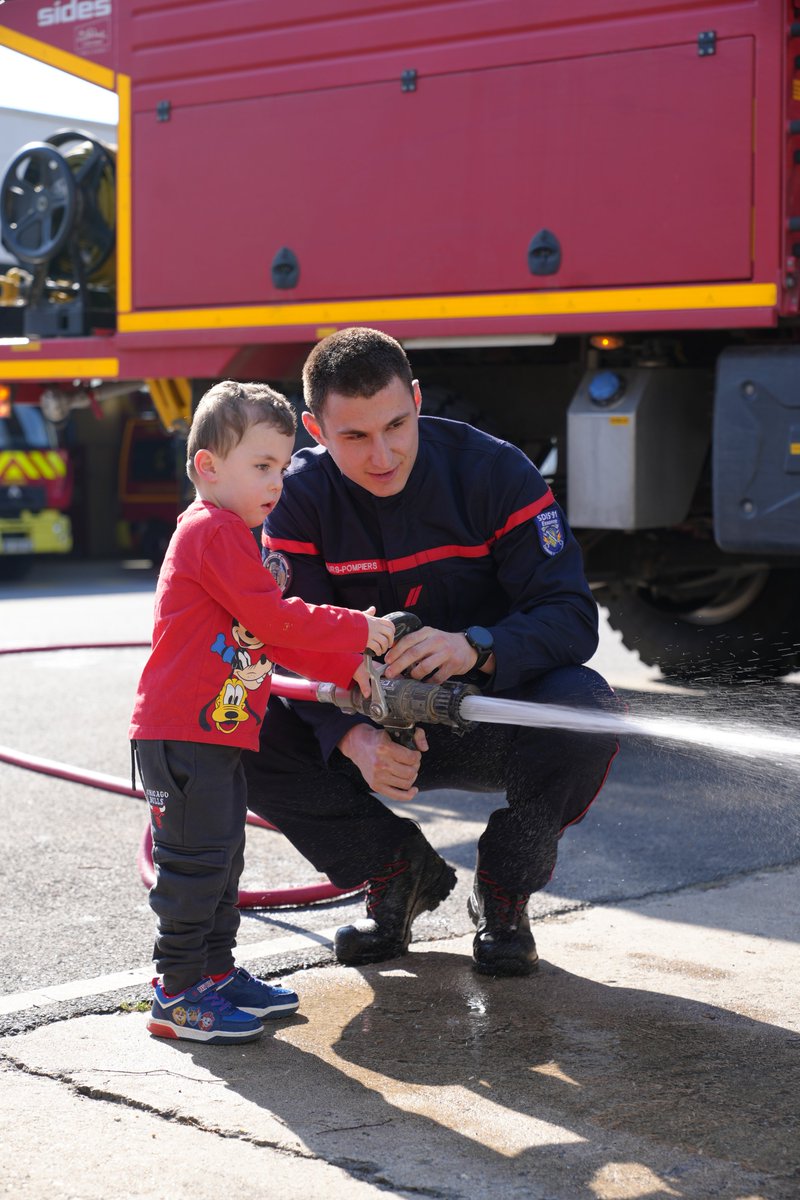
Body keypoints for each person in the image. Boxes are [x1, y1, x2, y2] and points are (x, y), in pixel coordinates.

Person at [243, 329, 620, 977]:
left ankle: (503, 892)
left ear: (417, 399)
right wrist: (347, 739)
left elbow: (571, 616)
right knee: (237, 721)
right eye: (354, 437)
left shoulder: (494, 472)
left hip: (487, 715)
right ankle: (395, 873)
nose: (383, 454)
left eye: (397, 424)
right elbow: (281, 642)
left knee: (585, 709)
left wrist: (478, 647)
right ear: (313, 428)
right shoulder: (294, 500)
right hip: (362, 716)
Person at [129, 380, 395, 1043]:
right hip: (182, 733)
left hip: (213, 734)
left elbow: (266, 638)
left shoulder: (236, 536)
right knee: (194, 864)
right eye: (260, 466)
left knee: (221, 858)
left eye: (281, 466)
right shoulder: (211, 531)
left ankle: (214, 974)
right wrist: (356, 630)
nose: (277, 482)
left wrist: (342, 668)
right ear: (208, 467)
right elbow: (274, 616)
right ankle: (178, 991)